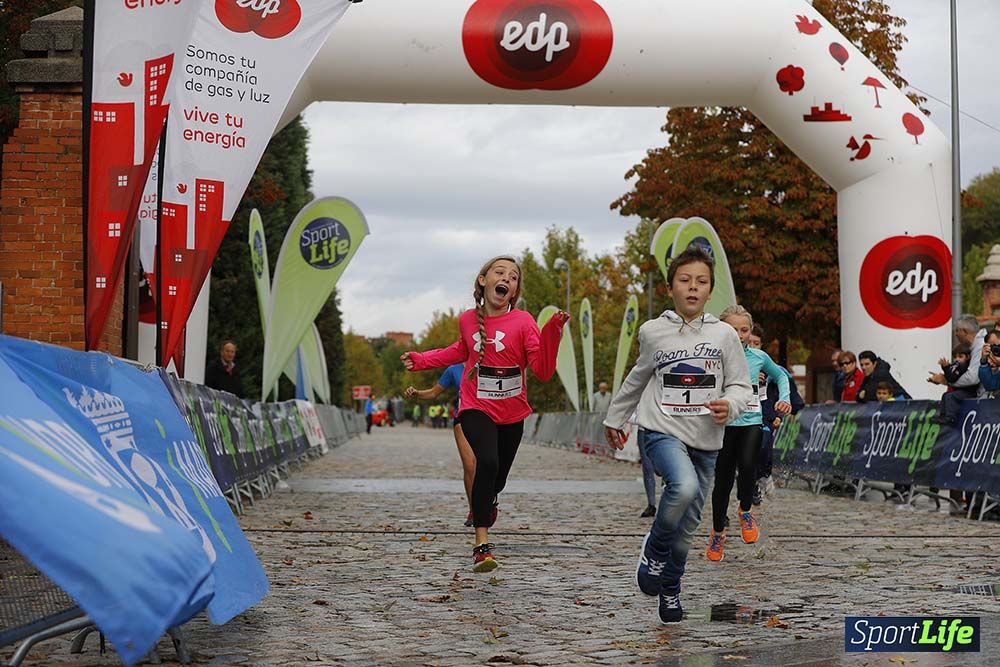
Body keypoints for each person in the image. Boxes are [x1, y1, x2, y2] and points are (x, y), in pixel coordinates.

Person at [602, 247, 751, 624]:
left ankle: (671, 588)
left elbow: (740, 386)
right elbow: (638, 378)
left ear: (710, 290)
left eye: (701, 281)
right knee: (681, 487)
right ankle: (653, 549)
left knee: (688, 526)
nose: (692, 288)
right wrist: (615, 418)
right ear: (671, 287)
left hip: (706, 439)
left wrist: (729, 406)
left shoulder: (724, 336)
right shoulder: (653, 332)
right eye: (684, 280)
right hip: (661, 430)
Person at [401, 255, 568, 573]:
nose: (507, 277)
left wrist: (553, 332)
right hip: (476, 405)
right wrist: (421, 360)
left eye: (514, 276)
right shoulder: (467, 320)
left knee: (497, 479)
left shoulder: (523, 322)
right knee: (485, 464)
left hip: (512, 412)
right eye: (500, 272)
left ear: (515, 290)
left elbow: (543, 370)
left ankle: (490, 499)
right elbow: (458, 351)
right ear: (483, 280)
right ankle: (481, 545)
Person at [706, 305, 791, 563]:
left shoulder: (758, 357)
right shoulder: (711, 356)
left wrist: (785, 399)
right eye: (733, 329)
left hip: (751, 421)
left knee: (747, 465)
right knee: (722, 482)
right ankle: (718, 532)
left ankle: (745, 510)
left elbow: (782, 376)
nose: (740, 334)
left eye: (744, 330)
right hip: (723, 425)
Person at [406, 363, 478, 526]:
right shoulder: (454, 369)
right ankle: (474, 509)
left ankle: (488, 501)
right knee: (470, 466)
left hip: (489, 419)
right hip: (463, 418)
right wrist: (417, 393)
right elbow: (433, 392)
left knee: (488, 465)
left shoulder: (490, 361)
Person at [929, 343, 974, 424]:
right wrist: (945, 368)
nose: (957, 359)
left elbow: (952, 378)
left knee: (950, 396)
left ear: (968, 357)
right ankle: (942, 416)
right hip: (960, 392)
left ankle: (951, 417)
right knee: (945, 395)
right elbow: (950, 375)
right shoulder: (956, 366)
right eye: (955, 357)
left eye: (960, 357)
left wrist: (946, 368)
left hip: (968, 392)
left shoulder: (964, 366)